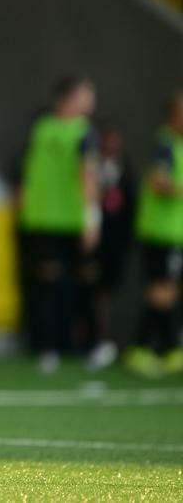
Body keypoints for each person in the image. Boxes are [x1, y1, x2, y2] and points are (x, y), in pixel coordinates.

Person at [18, 76, 100, 373]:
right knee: (54, 286)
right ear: (70, 98)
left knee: (70, 285)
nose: (91, 103)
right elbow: (87, 175)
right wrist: (92, 217)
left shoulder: (48, 128)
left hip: (54, 220)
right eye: (86, 96)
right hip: (58, 220)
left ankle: (75, 347)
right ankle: (54, 348)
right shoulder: (70, 131)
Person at [125, 92, 183, 377]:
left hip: (174, 232)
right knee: (162, 292)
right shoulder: (165, 145)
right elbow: (159, 182)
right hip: (162, 232)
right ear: (173, 115)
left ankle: (164, 349)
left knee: (167, 292)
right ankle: (148, 348)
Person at [84, 122, 136, 370]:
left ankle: (105, 340)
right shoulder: (91, 169)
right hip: (95, 242)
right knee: (91, 290)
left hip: (116, 242)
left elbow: (131, 205)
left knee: (109, 291)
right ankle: (91, 340)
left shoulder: (125, 170)